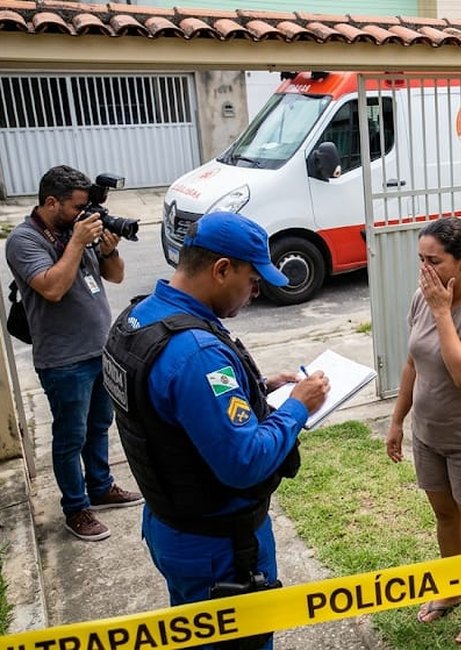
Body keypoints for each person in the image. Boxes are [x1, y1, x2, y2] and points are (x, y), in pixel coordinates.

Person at [101, 211, 329, 649]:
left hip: (172, 528)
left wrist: (258, 389)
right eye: (252, 279)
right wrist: (297, 407)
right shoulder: (195, 352)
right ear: (222, 269)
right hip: (221, 550)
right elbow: (244, 463)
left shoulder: (140, 317)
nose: (256, 291)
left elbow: (170, 410)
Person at [386, 217, 461, 646]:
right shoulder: (425, 297)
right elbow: (412, 363)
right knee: (444, 516)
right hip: (429, 435)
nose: (424, 270)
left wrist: (442, 310)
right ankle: (454, 586)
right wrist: (398, 420)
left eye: (433, 261)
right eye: (420, 259)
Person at [5, 165, 142, 542]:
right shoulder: (23, 241)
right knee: (70, 437)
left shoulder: (73, 231)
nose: (84, 215)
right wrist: (79, 241)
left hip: (99, 349)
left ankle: (100, 485)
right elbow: (52, 288)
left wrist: (109, 251)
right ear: (51, 202)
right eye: (77, 207)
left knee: (99, 426)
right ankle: (76, 508)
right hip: (63, 360)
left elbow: (113, 277)